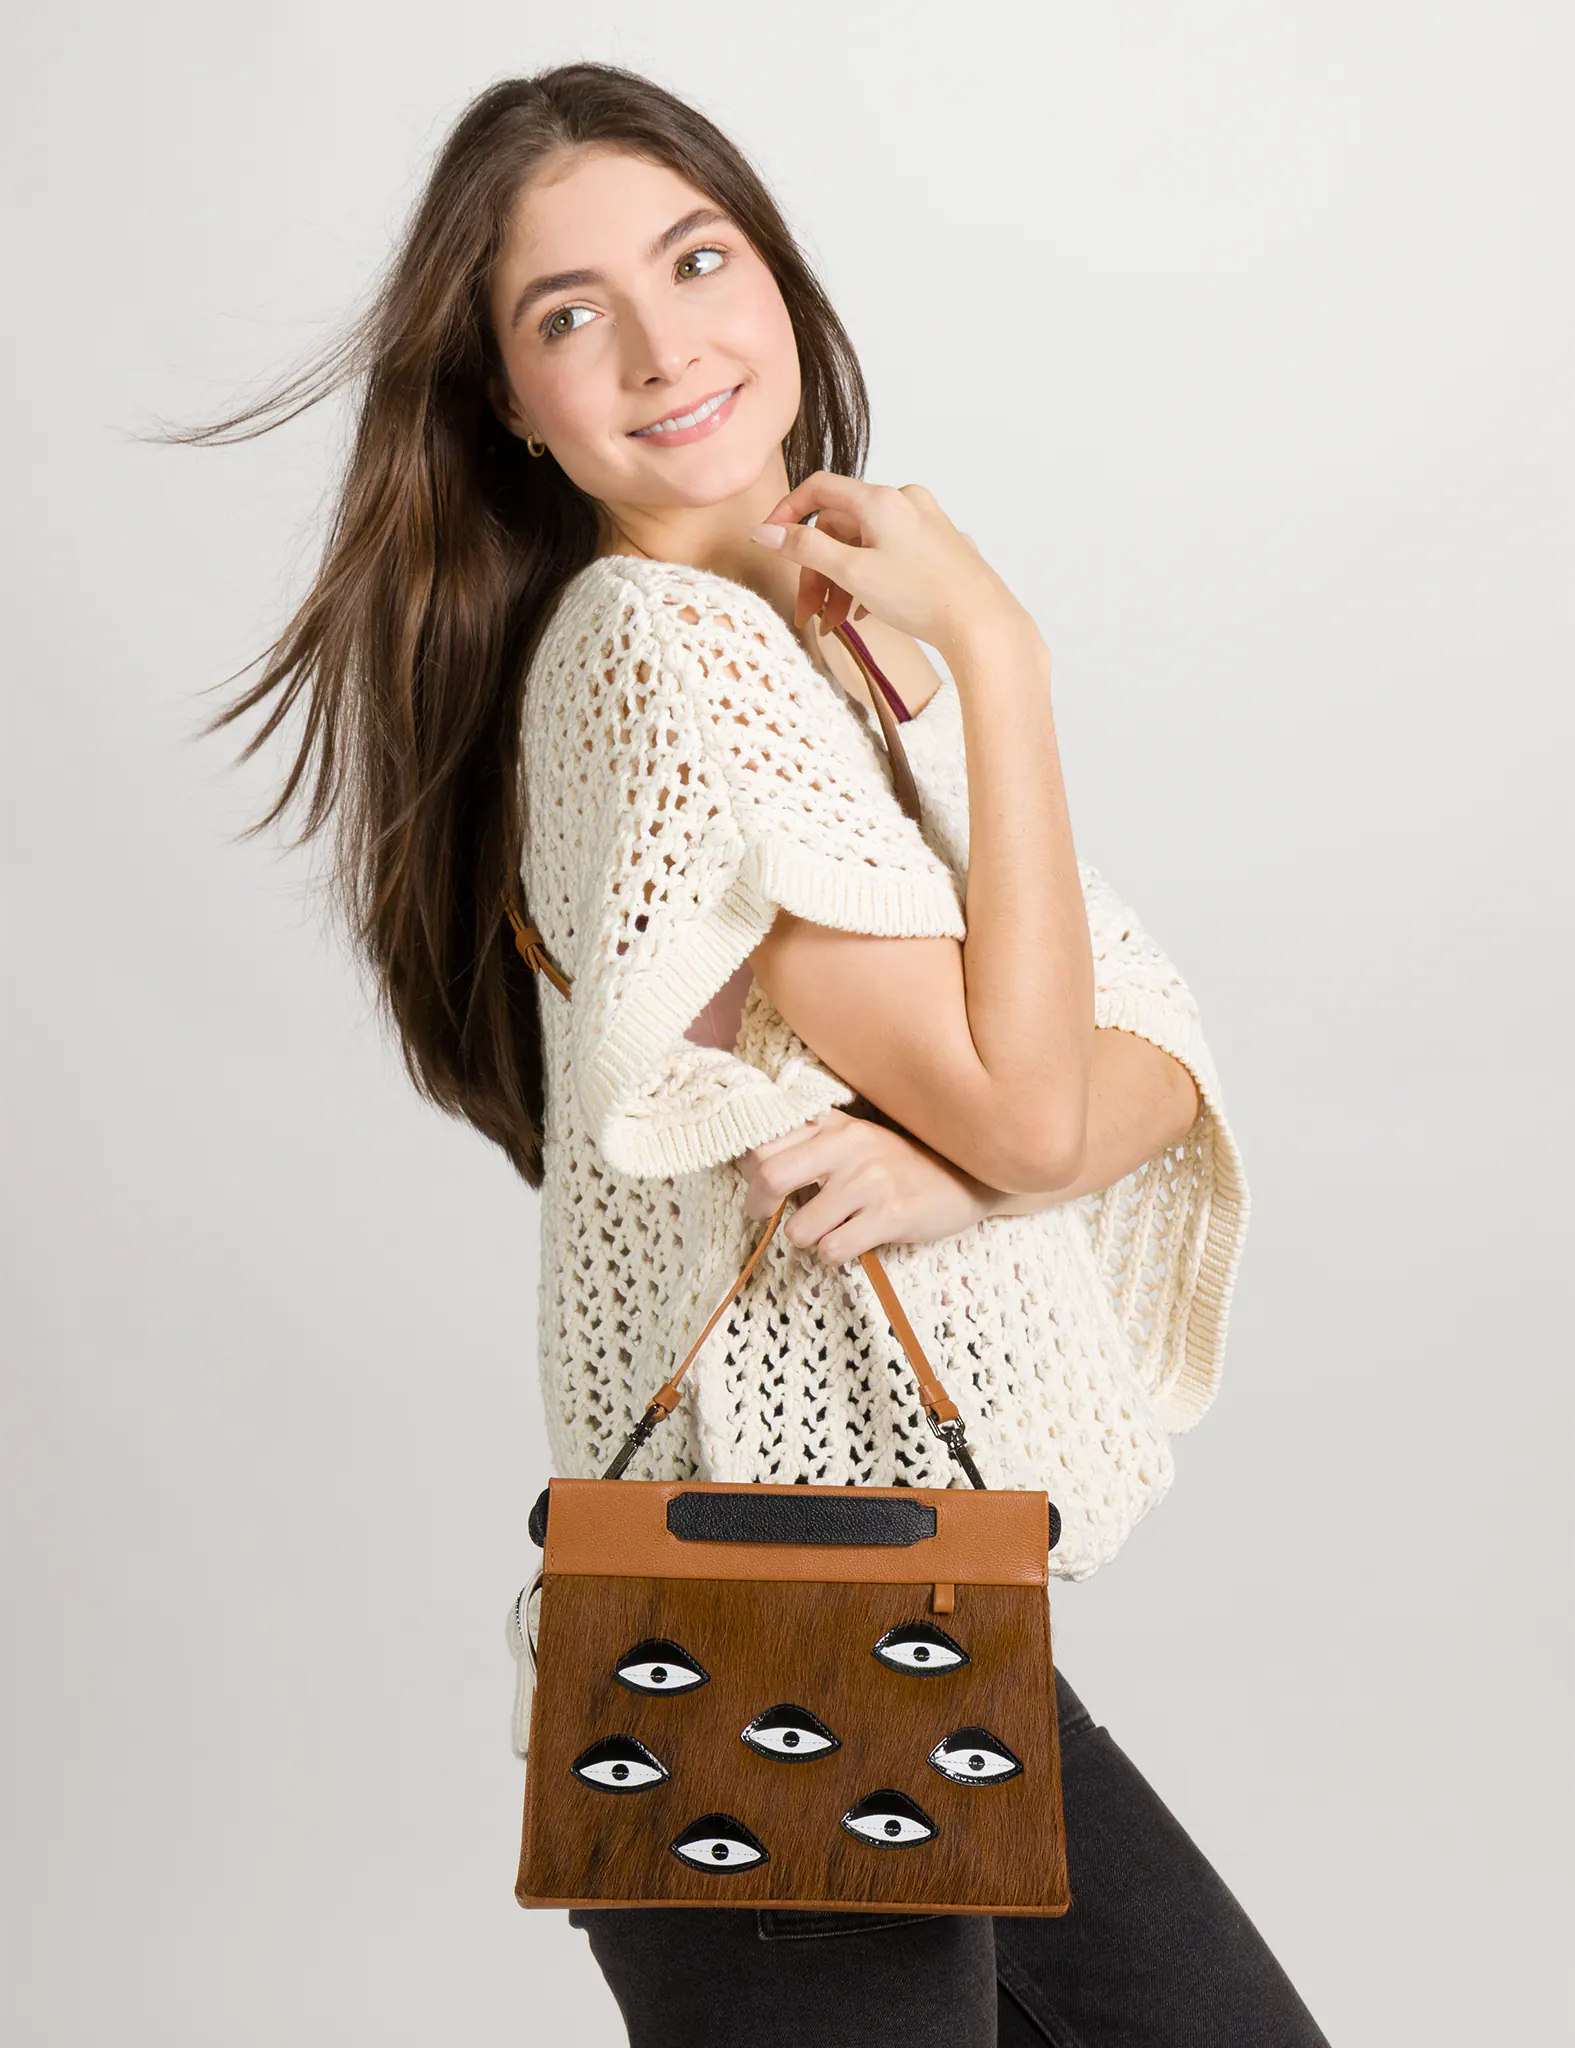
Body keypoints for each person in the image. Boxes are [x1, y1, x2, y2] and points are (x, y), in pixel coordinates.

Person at [182, 60, 1329, 2048]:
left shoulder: (817, 648)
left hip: (904, 1612)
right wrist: (1011, 657)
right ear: (512, 413)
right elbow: (1062, 1091)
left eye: (693, 257)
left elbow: (1145, 1047)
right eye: (566, 316)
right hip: (764, 1619)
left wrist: (977, 1154)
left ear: (772, 274)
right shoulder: (668, 653)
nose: (656, 343)